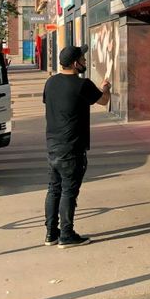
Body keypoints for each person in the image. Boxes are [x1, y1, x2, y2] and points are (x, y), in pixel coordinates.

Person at [43, 44, 111, 248]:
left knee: (53, 189)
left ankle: (50, 233)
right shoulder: (82, 84)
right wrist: (105, 88)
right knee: (68, 191)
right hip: (72, 147)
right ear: (75, 63)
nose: (85, 62)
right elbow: (104, 100)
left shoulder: (50, 82)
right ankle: (66, 234)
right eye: (82, 59)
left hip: (53, 145)